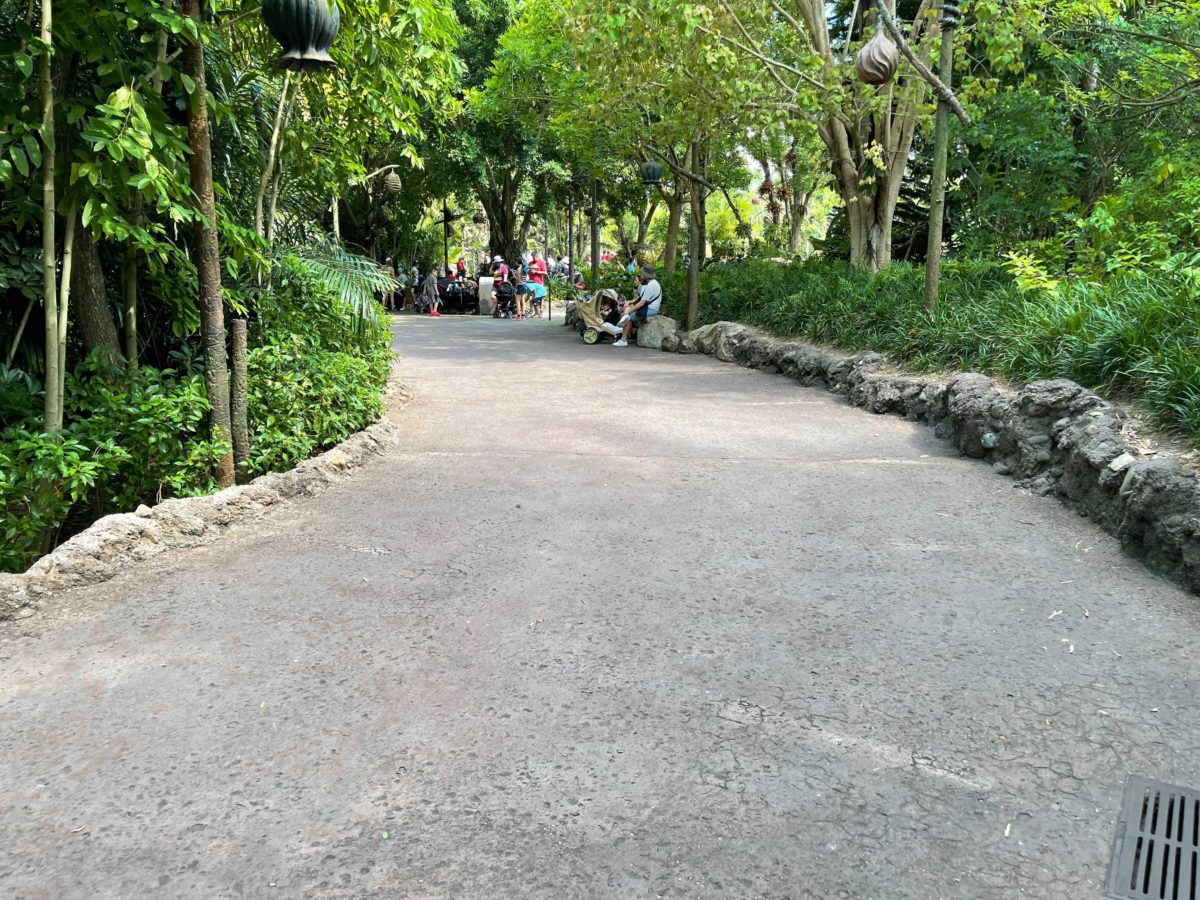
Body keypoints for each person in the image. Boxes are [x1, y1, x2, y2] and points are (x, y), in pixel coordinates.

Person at [613, 264, 662, 347]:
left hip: (651, 309)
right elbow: (640, 299)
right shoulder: (651, 283)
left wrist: (629, 311)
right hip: (648, 307)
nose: (640, 276)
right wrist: (630, 303)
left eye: (642, 274)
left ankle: (623, 339)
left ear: (646, 275)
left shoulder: (651, 285)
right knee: (628, 312)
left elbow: (642, 302)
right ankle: (624, 333)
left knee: (628, 317)